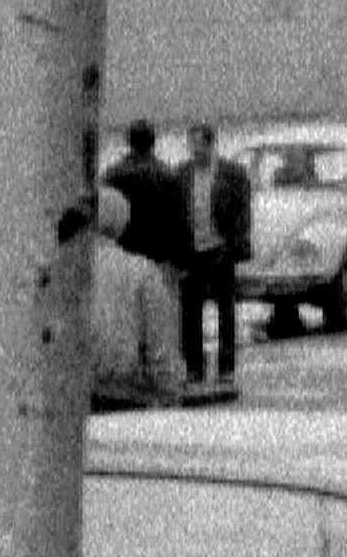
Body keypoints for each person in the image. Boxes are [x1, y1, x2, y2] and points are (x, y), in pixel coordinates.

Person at [88, 187, 185, 410]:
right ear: (122, 223)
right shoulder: (142, 271)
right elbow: (160, 347)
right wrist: (171, 392)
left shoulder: (64, 271)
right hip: (124, 394)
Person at [176, 120, 255, 384]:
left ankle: (226, 366)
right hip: (192, 251)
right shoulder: (182, 173)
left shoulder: (232, 173)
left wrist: (235, 245)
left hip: (221, 249)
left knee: (226, 312)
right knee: (190, 313)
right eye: (190, 145)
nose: (193, 150)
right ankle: (194, 367)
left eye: (198, 145)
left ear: (211, 145)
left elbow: (243, 213)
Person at [101, 119, 192, 281]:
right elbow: (180, 221)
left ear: (128, 141)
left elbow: (103, 216)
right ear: (153, 142)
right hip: (159, 257)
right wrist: (183, 262)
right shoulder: (169, 175)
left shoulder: (111, 175)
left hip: (121, 256)